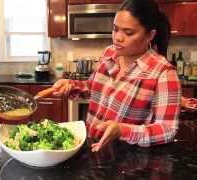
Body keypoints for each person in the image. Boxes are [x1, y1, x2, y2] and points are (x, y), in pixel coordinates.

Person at [52, 0, 181, 152]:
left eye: (128, 32)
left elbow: (167, 130)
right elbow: (92, 88)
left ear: (150, 35)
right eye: (115, 29)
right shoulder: (109, 53)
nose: (118, 38)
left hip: (126, 160)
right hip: (91, 147)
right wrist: (72, 85)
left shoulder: (163, 72)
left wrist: (122, 130)